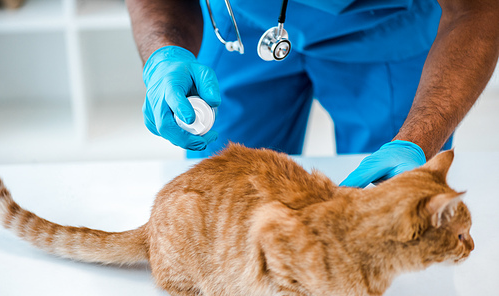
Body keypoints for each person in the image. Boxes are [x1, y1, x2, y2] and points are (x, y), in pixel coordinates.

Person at [126, 0, 499, 188]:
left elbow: (476, 9)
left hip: (385, 24)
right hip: (239, 21)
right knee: (220, 189)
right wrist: (164, 52)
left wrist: (417, 141)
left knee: (393, 202)